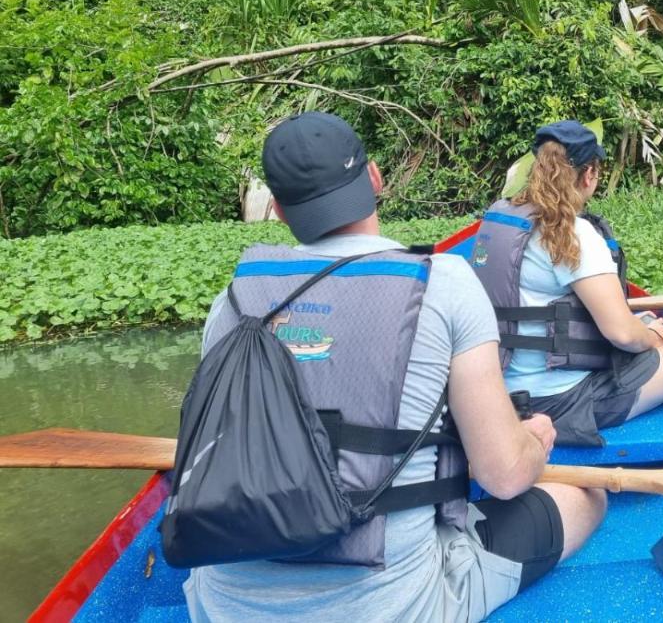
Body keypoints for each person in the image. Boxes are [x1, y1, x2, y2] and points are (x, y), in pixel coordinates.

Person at [184, 112, 605, 623]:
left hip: (224, 608)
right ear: (376, 178)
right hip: (397, 609)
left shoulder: (231, 301)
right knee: (589, 492)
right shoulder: (443, 281)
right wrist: (534, 438)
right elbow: (503, 475)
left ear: (277, 208)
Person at [470, 120, 663, 446]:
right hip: (558, 403)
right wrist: (651, 336)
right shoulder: (573, 233)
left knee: (637, 328)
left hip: (498, 394)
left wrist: (634, 323)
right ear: (589, 175)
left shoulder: (500, 216)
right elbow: (622, 334)